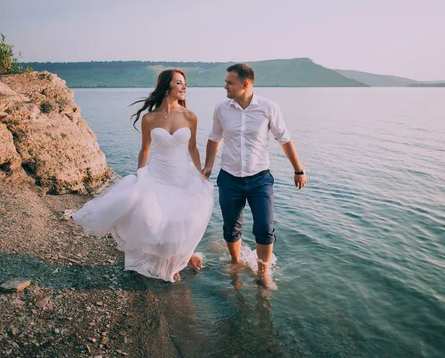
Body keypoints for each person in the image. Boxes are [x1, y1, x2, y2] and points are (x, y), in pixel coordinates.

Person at [72, 69, 213, 283]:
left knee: (184, 218)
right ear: (167, 87)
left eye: (185, 84)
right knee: (156, 217)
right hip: (158, 173)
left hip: (183, 174)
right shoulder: (149, 118)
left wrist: (202, 171)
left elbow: (193, 148)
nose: (184, 87)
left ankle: (180, 258)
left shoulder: (190, 116)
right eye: (179, 83)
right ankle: (169, 260)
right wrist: (140, 174)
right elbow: (145, 150)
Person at [201, 63, 307, 289]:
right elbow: (214, 137)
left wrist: (298, 170)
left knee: (265, 228)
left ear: (245, 84)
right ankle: (235, 262)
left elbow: (284, 139)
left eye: (229, 83)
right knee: (231, 227)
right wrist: (208, 166)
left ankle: (263, 274)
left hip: (260, 179)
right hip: (229, 178)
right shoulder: (221, 108)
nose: (225, 86)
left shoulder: (269, 108)